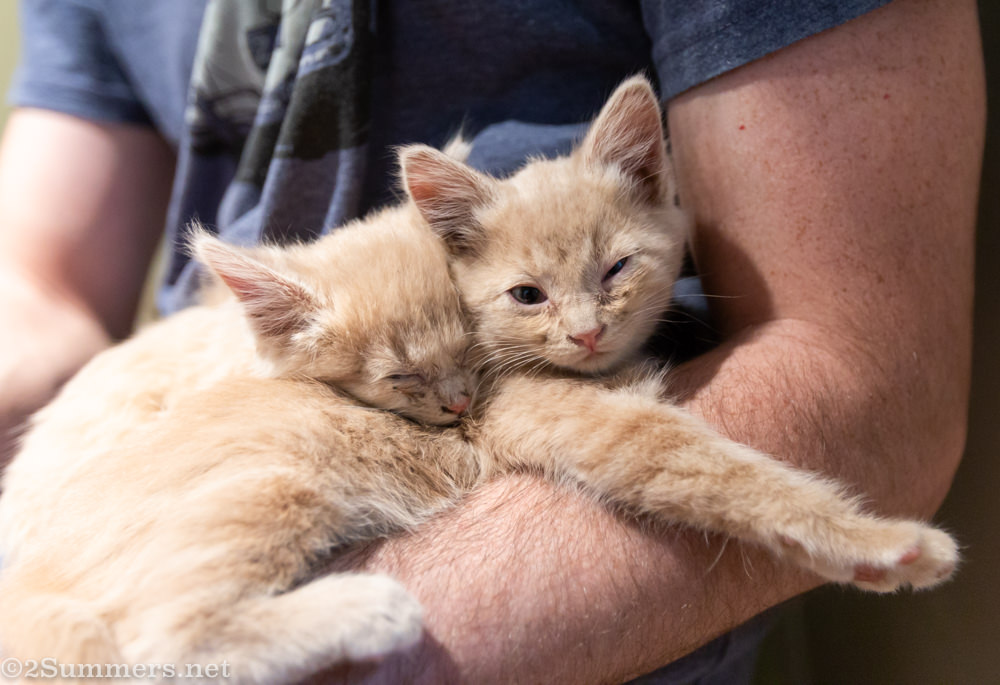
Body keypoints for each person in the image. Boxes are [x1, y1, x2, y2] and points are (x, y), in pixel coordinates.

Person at [0, 0, 984, 682]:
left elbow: (862, 377)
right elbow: (36, 288)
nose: (585, 326)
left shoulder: (514, 363)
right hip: (160, 497)